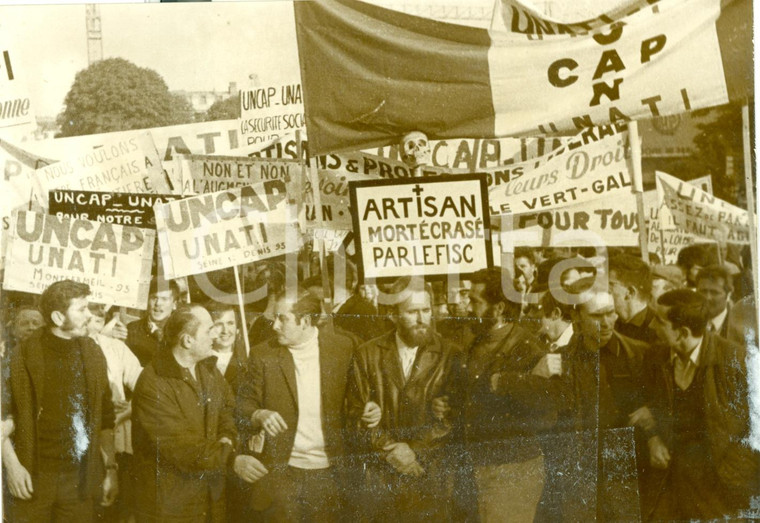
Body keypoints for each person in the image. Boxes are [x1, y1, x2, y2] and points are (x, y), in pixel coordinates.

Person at [236, 289, 380, 521]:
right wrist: (258, 414)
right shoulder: (263, 355)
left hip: (330, 473)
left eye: (283, 319)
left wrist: (370, 408)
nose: (274, 326)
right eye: (275, 318)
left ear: (304, 321)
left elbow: (359, 399)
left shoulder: (343, 348)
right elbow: (242, 405)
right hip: (282, 475)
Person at [132, 304, 266, 522]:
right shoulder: (154, 383)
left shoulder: (207, 369)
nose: (215, 334)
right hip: (170, 504)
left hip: (209, 497)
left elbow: (227, 409)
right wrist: (231, 458)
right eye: (208, 330)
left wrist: (227, 436)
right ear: (187, 341)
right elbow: (180, 445)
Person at [2, 280, 118, 522]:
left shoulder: (93, 353)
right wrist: (12, 467)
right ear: (57, 317)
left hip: (79, 481)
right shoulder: (21, 356)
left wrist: (110, 470)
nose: (90, 315)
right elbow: (2, 417)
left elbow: (106, 418)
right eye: (81, 309)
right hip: (31, 477)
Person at [347, 277, 462, 521]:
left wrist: (415, 451)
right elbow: (354, 414)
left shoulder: (450, 354)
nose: (422, 319)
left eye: (426, 310)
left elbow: (454, 418)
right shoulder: (367, 354)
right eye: (412, 312)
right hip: (382, 478)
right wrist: (391, 450)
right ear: (393, 314)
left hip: (429, 476)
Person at [460, 267, 563, 522]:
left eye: (475, 301)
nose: (468, 307)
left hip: (513, 469)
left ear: (499, 308)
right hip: (481, 466)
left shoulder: (527, 347)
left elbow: (547, 413)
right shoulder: (476, 340)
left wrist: (505, 384)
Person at [646, 289, 758, 520]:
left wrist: (733, 473)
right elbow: (644, 405)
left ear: (682, 333)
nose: (651, 326)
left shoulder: (738, 362)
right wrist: (652, 437)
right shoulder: (655, 358)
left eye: (659, 321)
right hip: (672, 483)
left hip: (721, 489)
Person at [88, 303, 143, 523]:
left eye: (101, 310)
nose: (97, 314)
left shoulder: (114, 347)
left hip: (117, 435)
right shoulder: (64, 347)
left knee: (116, 506)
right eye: (90, 310)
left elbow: (144, 384)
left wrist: (130, 407)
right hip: (84, 440)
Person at [126, 277, 180, 365]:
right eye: (154, 298)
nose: (158, 303)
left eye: (164, 299)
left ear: (174, 304)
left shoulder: (180, 332)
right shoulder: (131, 330)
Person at [608, 254, 658, 344]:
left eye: (610, 285)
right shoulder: (609, 323)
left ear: (630, 292)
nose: (602, 291)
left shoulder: (656, 330)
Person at [207, 302, 248, 393]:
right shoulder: (200, 360)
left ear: (237, 328)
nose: (225, 331)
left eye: (230, 323)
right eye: (218, 324)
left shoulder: (248, 358)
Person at [694, 265, 733, 337]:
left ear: (728, 295)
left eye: (715, 292)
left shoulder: (739, 327)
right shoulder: (689, 322)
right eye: (703, 291)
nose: (707, 298)